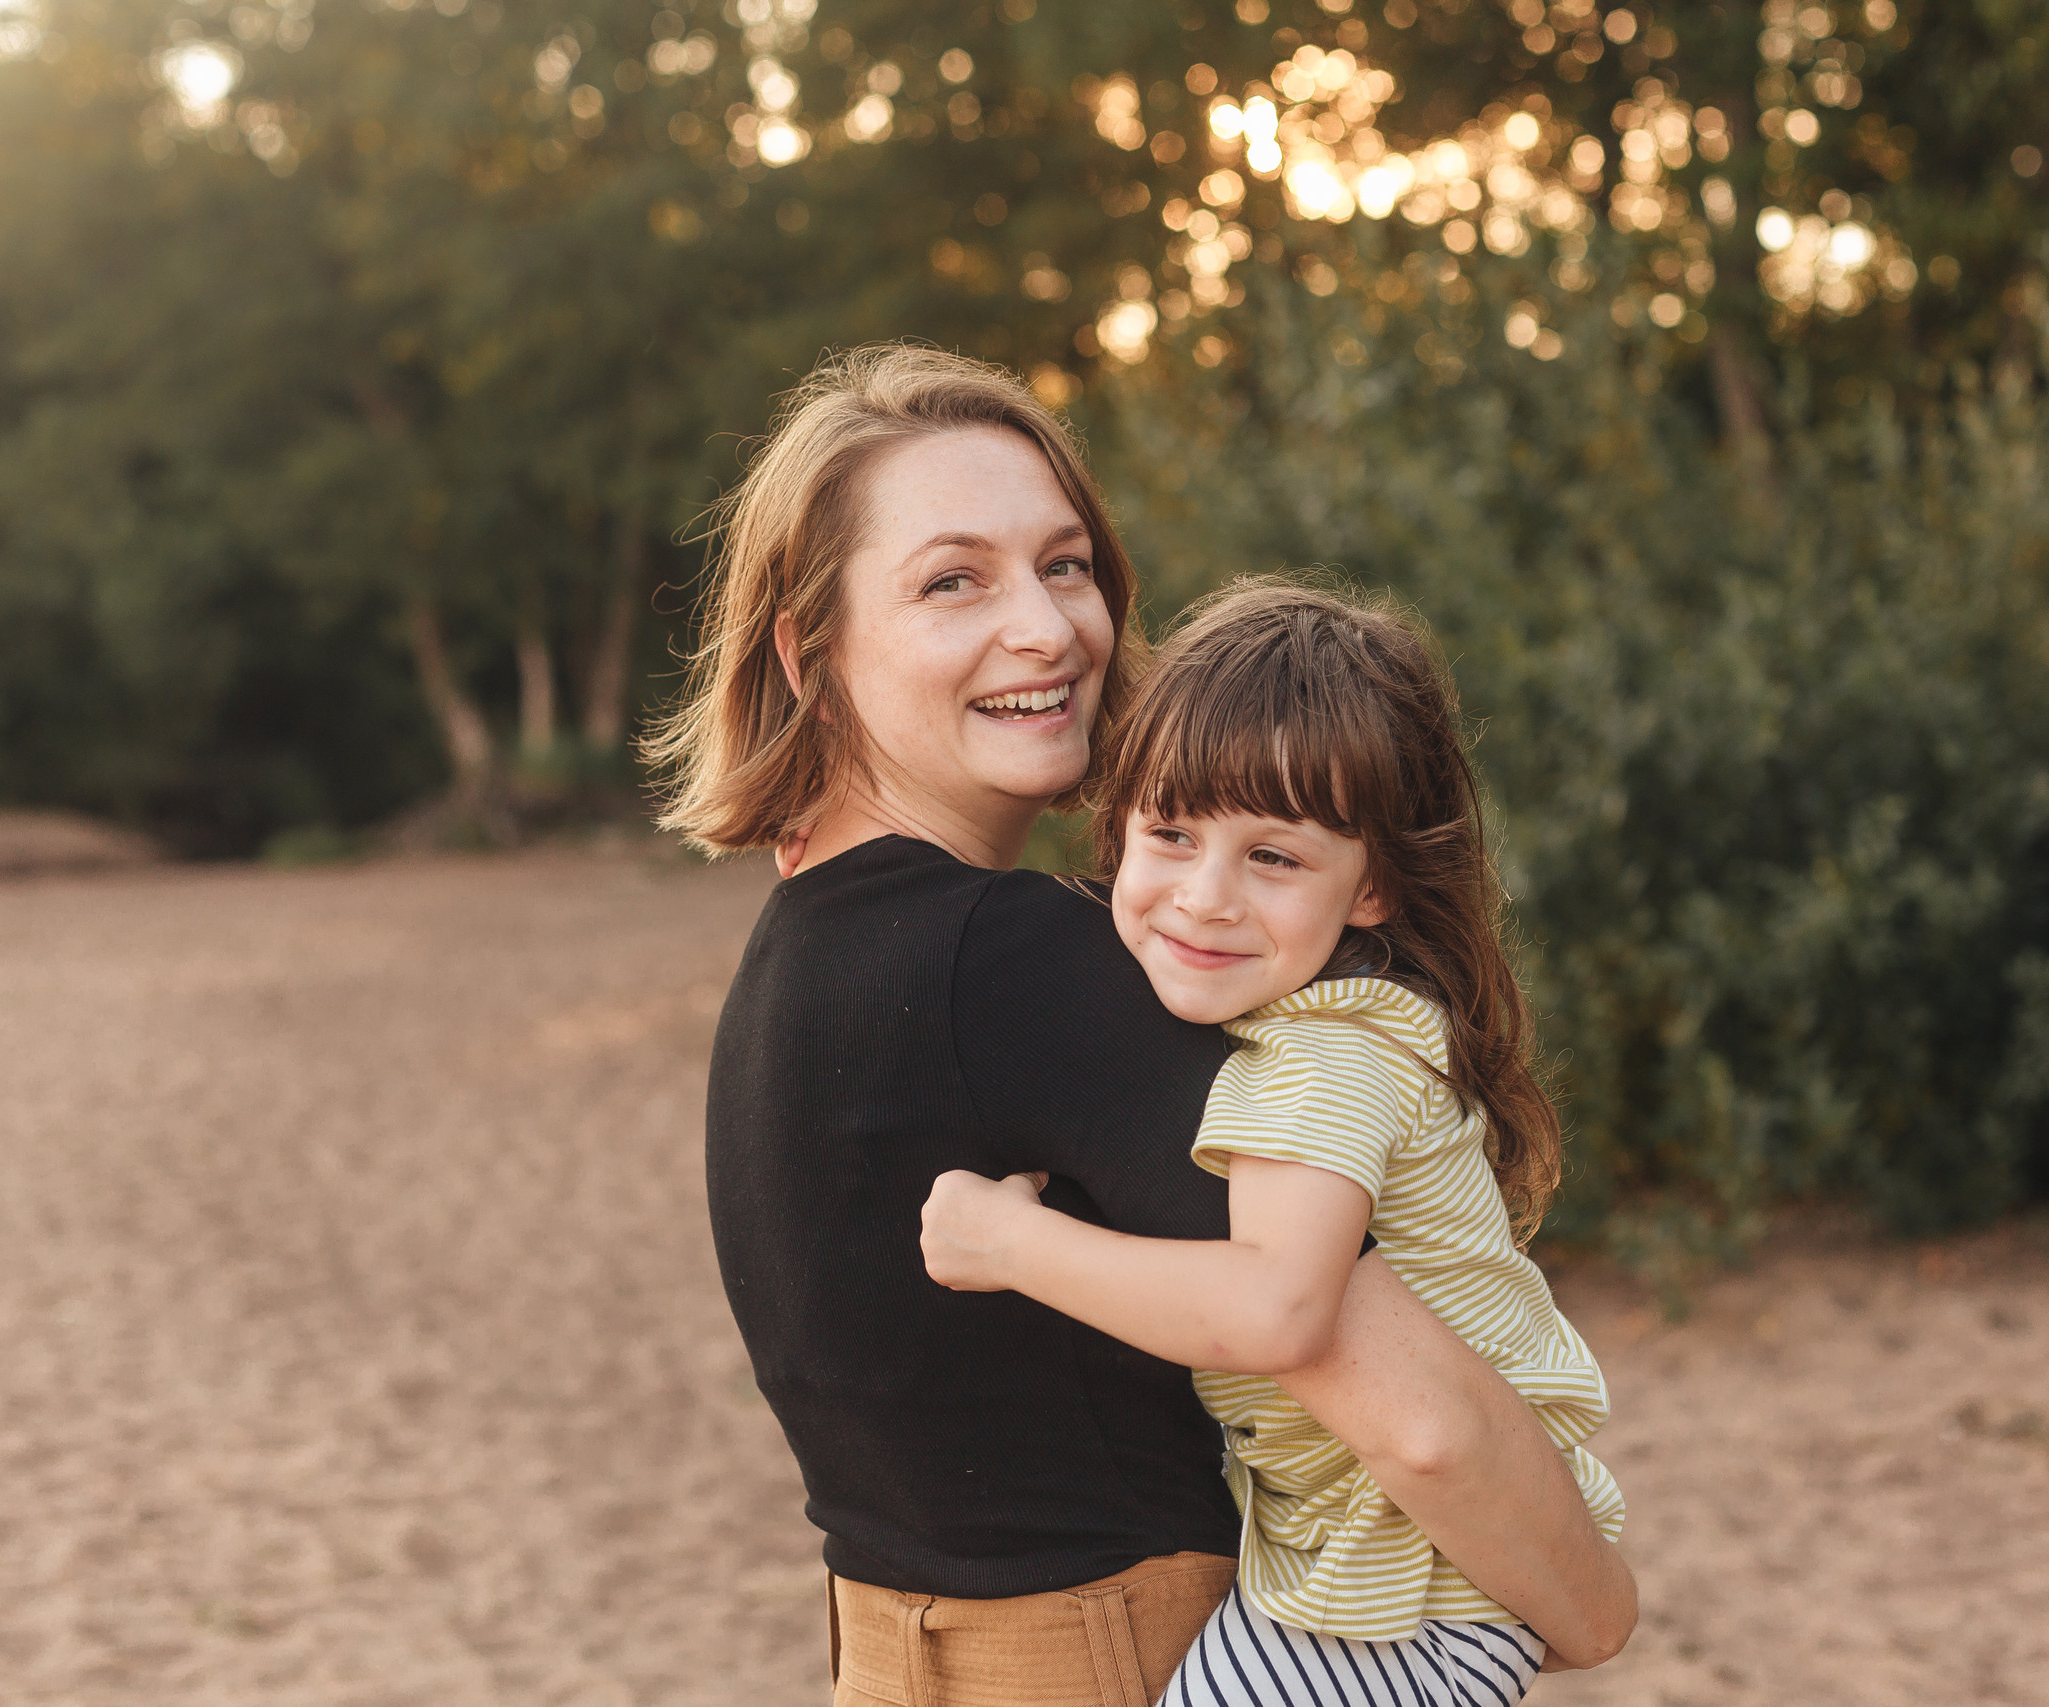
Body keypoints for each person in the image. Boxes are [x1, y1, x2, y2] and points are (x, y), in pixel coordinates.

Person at [645, 345, 1635, 1706]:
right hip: (1108, 1657)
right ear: (811, 655)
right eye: (955, 579)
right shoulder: (1020, 965)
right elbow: (1416, 1417)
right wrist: (1592, 1601)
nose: (1050, 627)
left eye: (1065, 563)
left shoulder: (802, 951)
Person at [918, 583, 1626, 1705]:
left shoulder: (1324, 1060)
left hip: (1407, 1605)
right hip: (1377, 1586)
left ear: (1375, 885)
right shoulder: (1325, 1023)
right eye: (1171, 833)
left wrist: (1011, 1245)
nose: (1204, 898)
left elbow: (1281, 1308)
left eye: (1274, 859)